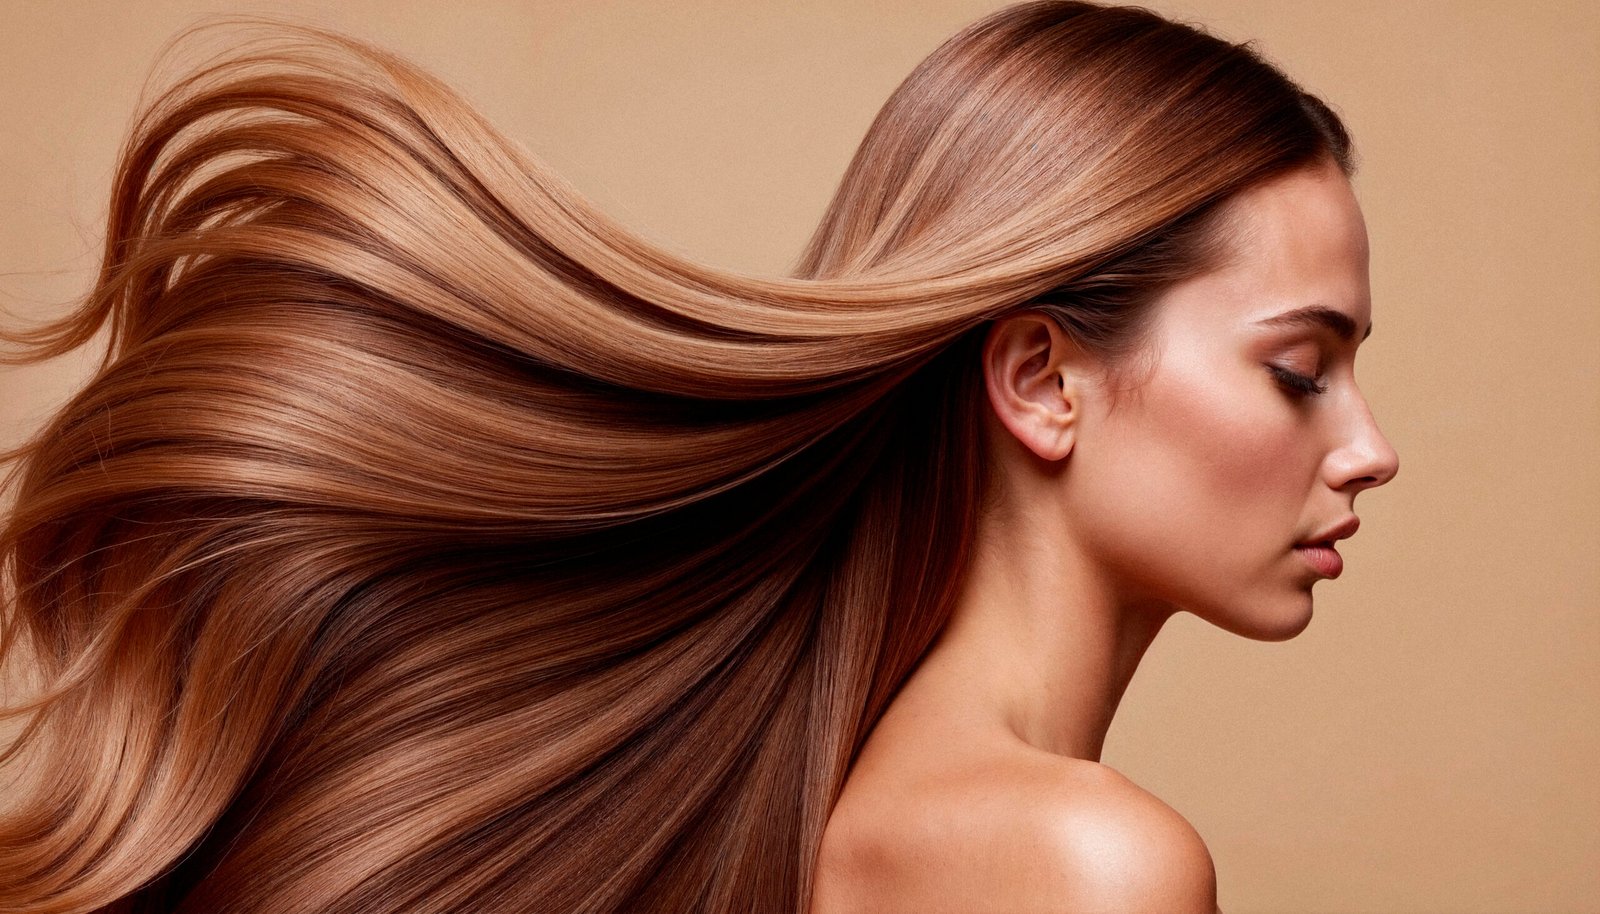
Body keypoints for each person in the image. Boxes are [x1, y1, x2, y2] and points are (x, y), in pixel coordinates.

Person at [0, 2, 1397, 912]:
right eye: (1299, 369)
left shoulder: (823, 816)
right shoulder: (1089, 864)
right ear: (1040, 380)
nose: (1371, 448)